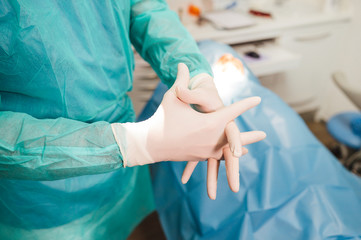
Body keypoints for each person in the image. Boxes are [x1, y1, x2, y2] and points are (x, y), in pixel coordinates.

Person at [0, 1, 265, 239]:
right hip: (37, 193)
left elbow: (146, 9)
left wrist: (196, 77)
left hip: (120, 167)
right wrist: (131, 144)